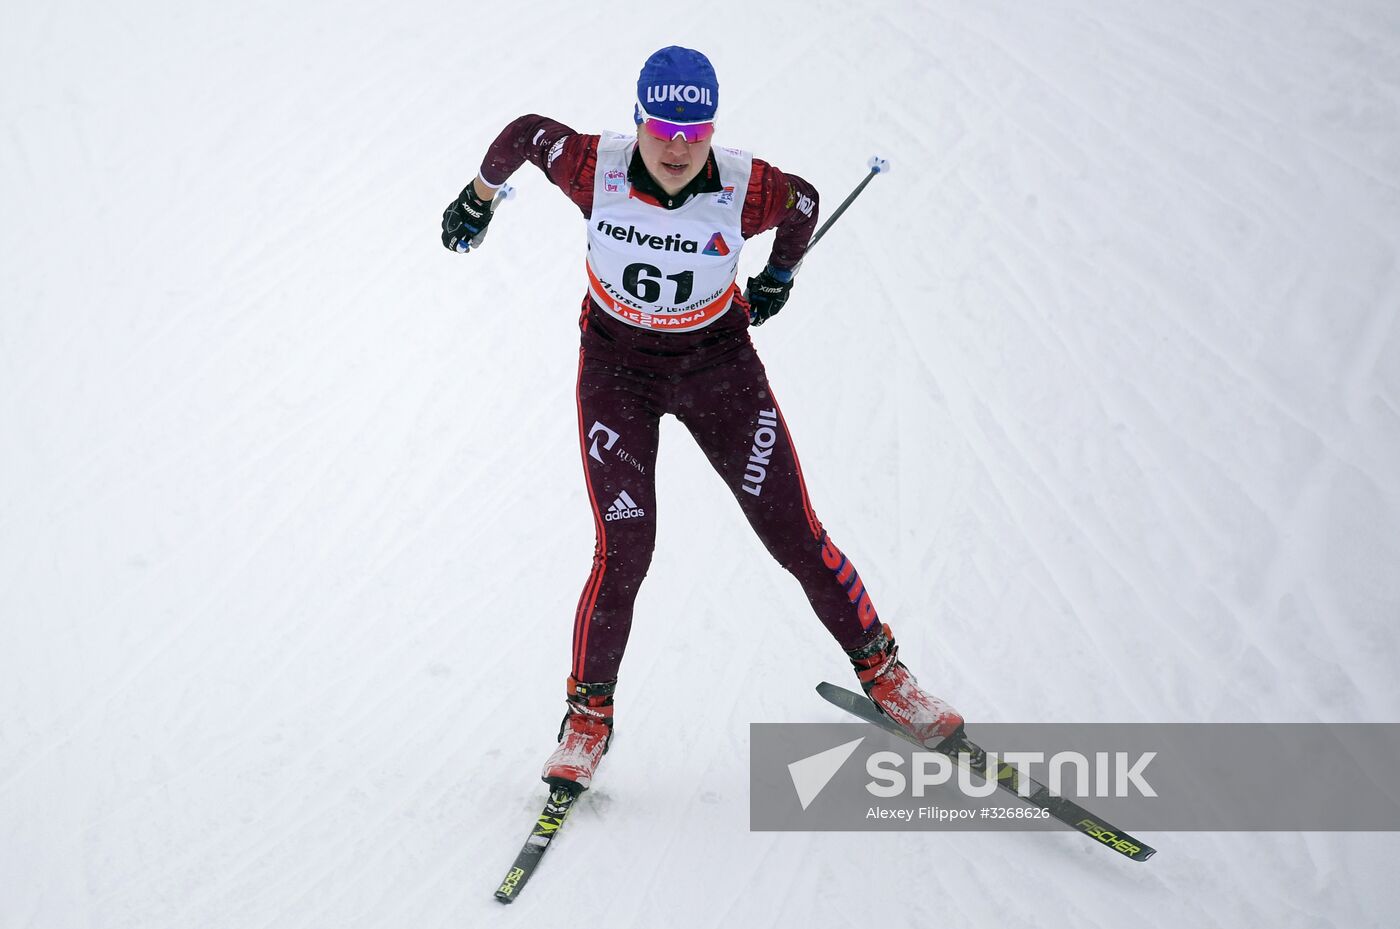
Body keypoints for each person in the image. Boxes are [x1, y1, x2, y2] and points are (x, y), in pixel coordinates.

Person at [441, 47, 962, 791]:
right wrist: (477, 197)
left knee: (793, 531)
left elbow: (806, 202)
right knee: (626, 546)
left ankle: (887, 677)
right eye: (663, 129)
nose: (679, 147)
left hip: (718, 371)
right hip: (619, 375)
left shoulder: (749, 188)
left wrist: (780, 275)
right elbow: (526, 133)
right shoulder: (595, 167)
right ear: (639, 122)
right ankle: (587, 720)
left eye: (696, 130)